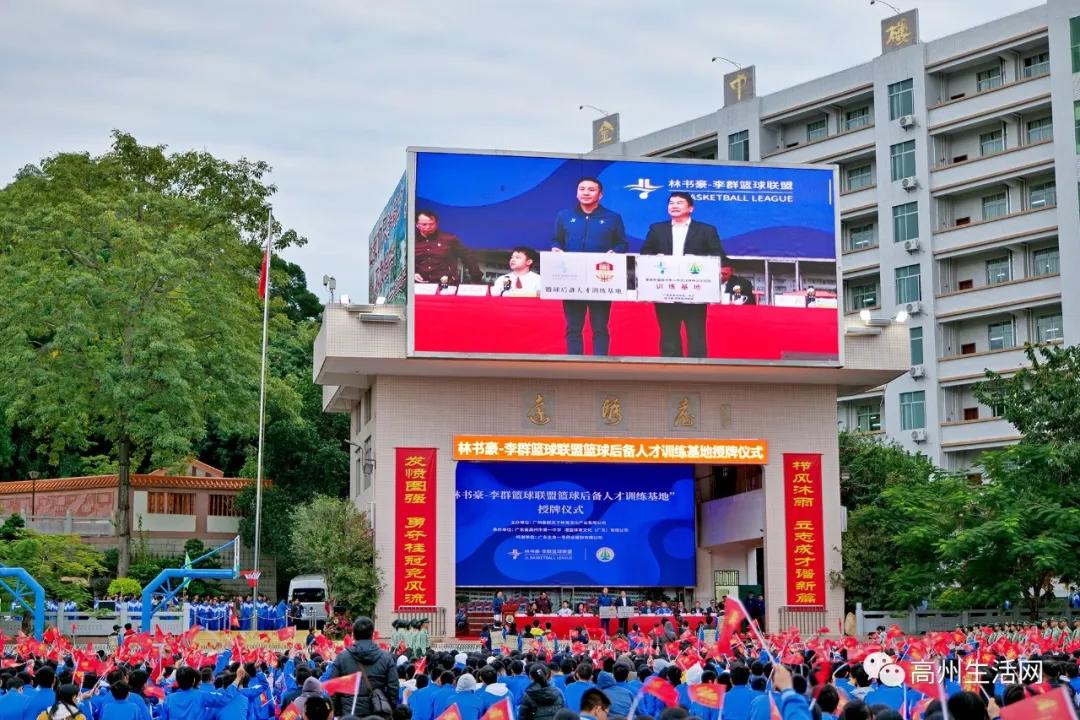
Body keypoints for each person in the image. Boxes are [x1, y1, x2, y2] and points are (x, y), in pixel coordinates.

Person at [639, 191, 728, 358]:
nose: (674, 206)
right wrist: (654, 257)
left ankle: (699, 371)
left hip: (694, 290)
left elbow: (719, 256)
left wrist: (698, 260)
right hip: (666, 289)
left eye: (679, 203)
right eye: (671, 203)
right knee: (668, 333)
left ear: (691, 208)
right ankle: (670, 369)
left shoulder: (706, 230)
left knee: (696, 333)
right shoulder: (657, 229)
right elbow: (645, 252)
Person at [550, 177, 628, 355]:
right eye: (581, 189)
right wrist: (556, 248)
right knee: (573, 326)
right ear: (577, 192)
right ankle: (573, 362)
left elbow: (622, 244)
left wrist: (615, 252)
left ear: (600, 194)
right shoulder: (564, 215)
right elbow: (556, 239)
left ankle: (601, 363)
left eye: (591, 190)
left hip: (600, 279)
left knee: (600, 326)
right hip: (571, 278)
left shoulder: (612, 217)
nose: (585, 193)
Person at [324, 616, 399, 718]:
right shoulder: (386, 658)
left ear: (353, 635)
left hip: (349, 712)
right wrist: (389, 710)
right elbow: (393, 688)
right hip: (377, 712)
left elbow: (333, 689)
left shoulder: (342, 658)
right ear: (372, 634)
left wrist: (338, 712)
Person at [413, 209, 483, 285]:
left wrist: (476, 278)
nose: (428, 227)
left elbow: (467, 257)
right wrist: (411, 273)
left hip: (447, 284)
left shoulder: (449, 239)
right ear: (417, 225)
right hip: (419, 284)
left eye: (431, 224)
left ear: (436, 224)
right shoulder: (410, 241)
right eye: (424, 224)